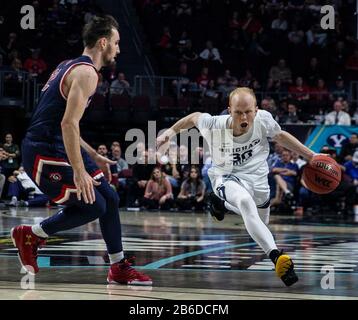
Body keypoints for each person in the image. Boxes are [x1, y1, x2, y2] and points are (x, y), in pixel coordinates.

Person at [10, 15, 152, 285]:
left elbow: (67, 124)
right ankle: (31, 234)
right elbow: (67, 123)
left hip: (57, 143)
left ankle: (118, 267)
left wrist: (92, 156)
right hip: (42, 151)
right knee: (94, 205)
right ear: (103, 43)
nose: (119, 49)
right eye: (116, 43)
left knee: (109, 197)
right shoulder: (87, 73)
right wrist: (79, 170)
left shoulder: (70, 65)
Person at [157, 87, 318, 287]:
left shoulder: (264, 120)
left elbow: (280, 136)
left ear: (256, 110)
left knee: (261, 222)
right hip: (226, 177)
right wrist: (171, 132)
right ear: (229, 110)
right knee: (244, 202)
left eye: (248, 111)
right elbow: (193, 117)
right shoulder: (214, 124)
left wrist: (312, 156)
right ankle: (277, 257)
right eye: (238, 112)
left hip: (258, 180)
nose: (244, 116)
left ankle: (221, 205)